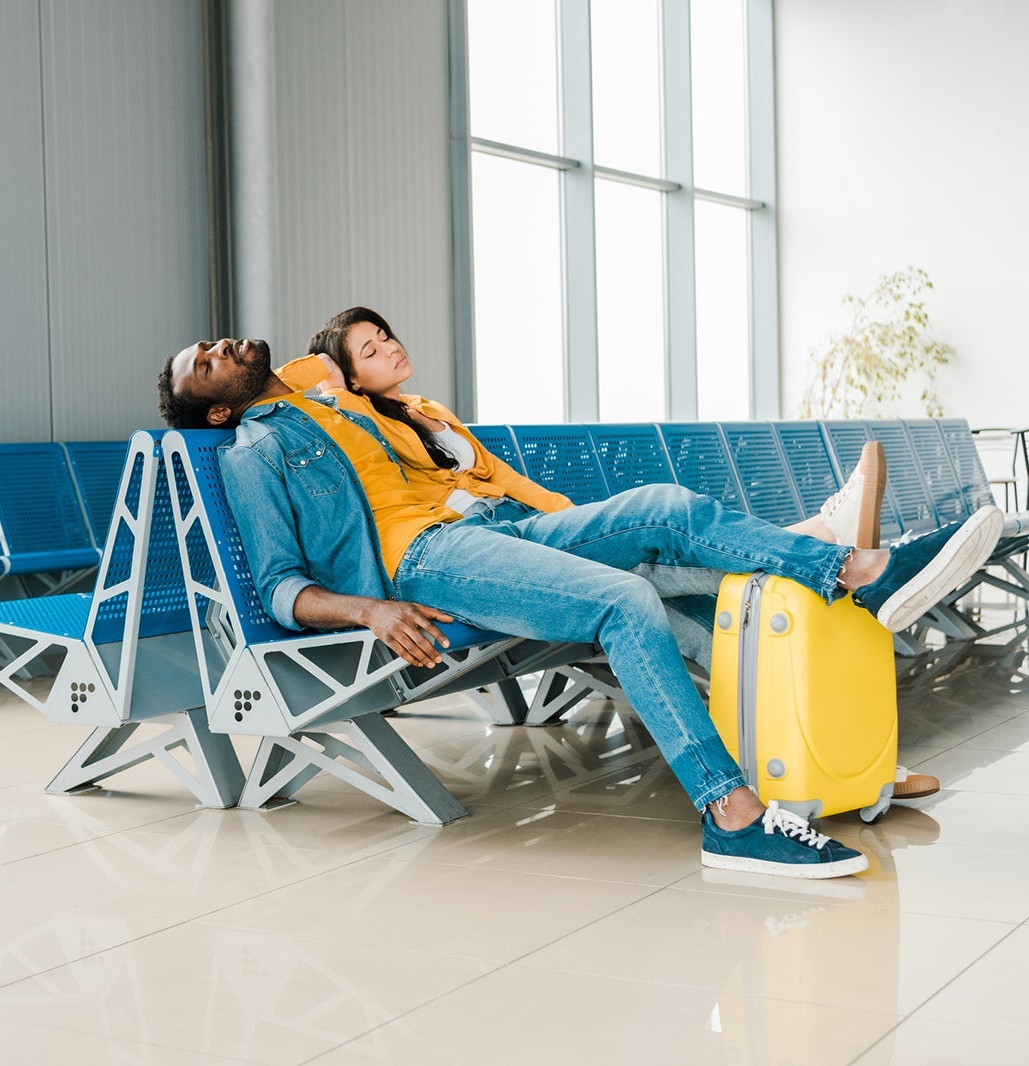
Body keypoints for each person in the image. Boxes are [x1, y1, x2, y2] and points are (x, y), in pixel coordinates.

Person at [158, 336, 1002, 877]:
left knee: (667, 508)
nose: (219, 345)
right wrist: (369, 613)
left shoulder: (310, 391)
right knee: (630, 600)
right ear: (220, 406)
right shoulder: (255, 449)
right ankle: (732, 815)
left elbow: (328, 361)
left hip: (492, 525)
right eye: (204, 363)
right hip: (426, 561)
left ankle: (850, 569)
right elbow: (275, 586)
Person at [300, 305, 940, 802]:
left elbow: (507, 480)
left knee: (709, 591)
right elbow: (298, 392)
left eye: (386, 334)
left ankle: (850, 761)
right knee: (693, 597)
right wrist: (329, 381)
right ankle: (828, 549)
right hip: (457, 553)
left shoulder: (427, 411)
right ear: (344, 375)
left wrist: (576, 526)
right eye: (369, 348)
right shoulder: (345, 417)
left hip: (518, 530)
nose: (390, 346)